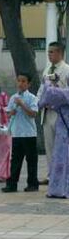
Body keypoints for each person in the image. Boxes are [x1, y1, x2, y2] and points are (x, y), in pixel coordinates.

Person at [37, 42, 69, 185]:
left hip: (60, 113)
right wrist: (38, 102)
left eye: (52, 52)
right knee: (49, 145)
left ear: (59, 53)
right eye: (48, 52)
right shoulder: (46, 70)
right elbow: (42, 89)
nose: (49, 55)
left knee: (61, 145)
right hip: (47, 111)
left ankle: (63, 175)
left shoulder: (66, 70)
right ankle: (52, 175)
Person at [2, 73, 39, 193]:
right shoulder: (13, 97)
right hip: (17, 133)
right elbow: (8, 113)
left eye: (24, 81)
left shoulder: (32, 98)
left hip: (29, 134)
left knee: (31, 160)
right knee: (15, 160)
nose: (21, 84)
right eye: (19, 81)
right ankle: (12, 184)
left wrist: (22, 104)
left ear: (29, 84)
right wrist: (11, 111)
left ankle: (32, 184)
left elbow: (33, 114)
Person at [39, 79, 69, 198]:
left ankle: (58, 189)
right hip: (63, 132)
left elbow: (49, 95)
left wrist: (47, 82)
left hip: (63, 133)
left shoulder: (64, 93)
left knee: (60, 160)